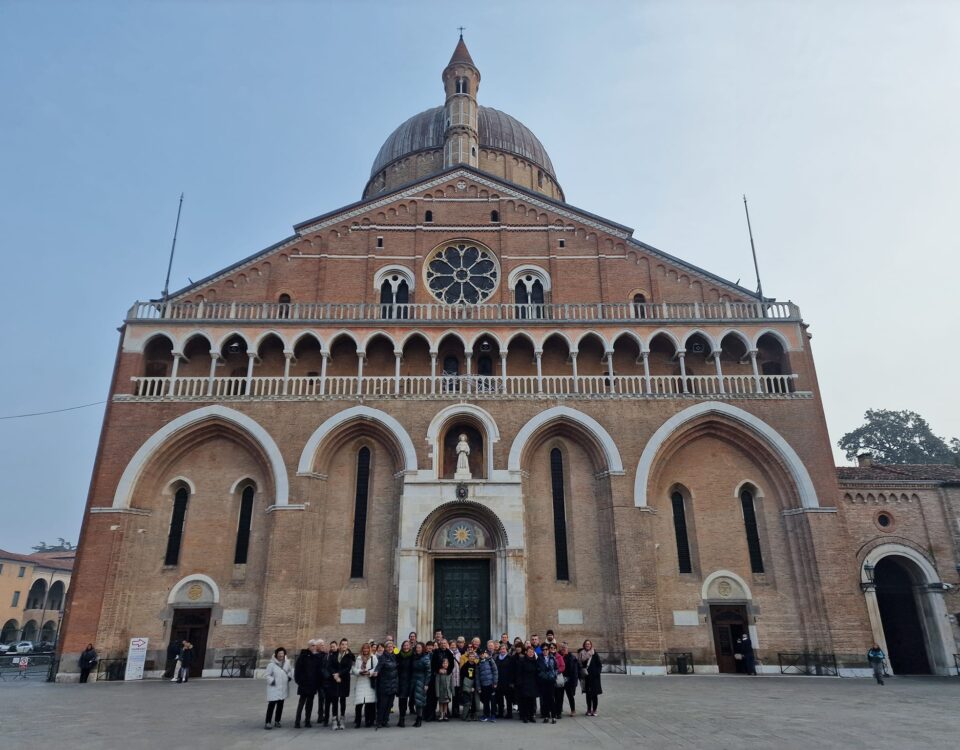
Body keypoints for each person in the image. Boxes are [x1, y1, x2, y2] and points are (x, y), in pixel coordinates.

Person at [265, 647, 294, 730]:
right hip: (274, 688)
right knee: (271, 705)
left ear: (284, 655)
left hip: (283, 688)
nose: (281, 656)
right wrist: (272, 681)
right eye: (279, 654)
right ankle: (268, 722)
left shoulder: (287, 663)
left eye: (282, 654)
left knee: (280, 705)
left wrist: (289, 677)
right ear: (276, 655)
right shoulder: (271, 665)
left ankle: (277, 721)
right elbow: (267, 675)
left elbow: (290, 671)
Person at [294, 640, 319, 728]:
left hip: (312, 685)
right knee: (301, 703)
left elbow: (317, 672)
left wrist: (316, 683)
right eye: (312, 645)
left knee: (310, 704)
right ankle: (297, 721)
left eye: (315, 646)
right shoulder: (302, 656)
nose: (314, 647)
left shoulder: (316, 657)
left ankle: (307, 720)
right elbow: (297, 671)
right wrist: (299, 681)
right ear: (308, 646)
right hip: (304, 684)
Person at [374, 638, 399, 728]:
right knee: (382, 704)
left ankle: (386, 720)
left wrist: (395, 648)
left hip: (393, 684)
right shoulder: (382, 657)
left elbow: (398, 652)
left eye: (391, 646)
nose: (390, 648)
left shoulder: (395, 656)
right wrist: (376, 672)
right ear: (385, 648)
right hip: (384, 684)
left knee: (389, 705)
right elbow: (378, 666)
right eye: (388, 646)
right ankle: (379, 721)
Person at [352, 642, 378, 728]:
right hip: (360, 681)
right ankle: (358, 722)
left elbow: (376, 667)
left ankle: (368, 721)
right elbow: (355, 669)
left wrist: (369, 672)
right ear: (362, 649)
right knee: (359, 704)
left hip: (369, 682)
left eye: (367, 648)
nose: (365, 650)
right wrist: (359, 671)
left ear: (369, 649)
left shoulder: (373, 657)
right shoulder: (359, 658)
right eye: (364, 648)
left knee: (368, 703)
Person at [330, 639, 354, 730]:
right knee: (335, 699)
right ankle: (334, 720)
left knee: (343, 700)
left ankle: (342, 719)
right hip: (335, 680)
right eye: (342, 644)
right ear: (339, 645)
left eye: (346, 644)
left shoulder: (349, 656)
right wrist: (335, 675)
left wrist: (339, 674)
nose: (344, 646)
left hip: (344, 680)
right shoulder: (334, 654)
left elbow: (348, 668)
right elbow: (330, 666)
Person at [516, 645, 539, 724]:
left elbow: (537, 673)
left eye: (532, 652)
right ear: (526, 652)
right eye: (529, 652)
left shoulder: (535, 661)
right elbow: (519, 673)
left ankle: (531, 716)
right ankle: (525, 716)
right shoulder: (522, 660)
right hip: (524, 683)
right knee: (525, 701)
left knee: (532, 701)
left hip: (533, 683)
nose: (531, 653)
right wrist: (520, 683)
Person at [579, 640, 602, 716]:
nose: (587, 645)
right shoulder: (581, 653)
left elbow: (599, 665)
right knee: (588, 694)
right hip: (586, 677)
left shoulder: (594, 653)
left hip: (594, 677)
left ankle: (594, 710)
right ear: (584, 645)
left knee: (594, 694)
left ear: (591, 645)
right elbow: (580, 664)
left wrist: (597, 672)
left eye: (589, 644)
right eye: (586, 644)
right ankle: (589, 709)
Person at [537, 643, 558, 723]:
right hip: (544, 681)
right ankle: (546, 716)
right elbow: (538, 669)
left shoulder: (552, 658)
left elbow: (556, 668)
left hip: (551, 681)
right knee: (544, 699)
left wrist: (554, 675)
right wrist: (543, 676)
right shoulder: (539, 659)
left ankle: (553, 716)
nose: (545, 651)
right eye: (543, 650)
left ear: (549, 650)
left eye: (546, 649)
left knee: (551, 699)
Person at [412, 642, 431, 727]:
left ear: (422, 648)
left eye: (419, 648)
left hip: (421, 681)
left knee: (419, 702)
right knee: (416, 701)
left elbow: (428, 672)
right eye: (417, 648)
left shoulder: (425, 658)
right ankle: (418, 718)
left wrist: (426, 683)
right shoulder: (414, 657)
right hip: (414, 681)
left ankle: (419, 719)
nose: (418, 649)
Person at [397, 640, 415, 727]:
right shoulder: (398, 655)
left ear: (410, 647)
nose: (406, 647)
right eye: (404, 645)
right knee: (402, 700)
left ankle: (417, 715)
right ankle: (402, 718)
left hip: (411, 680)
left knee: (412, 699)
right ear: (402, 646)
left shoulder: (413, 656)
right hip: (401, 681)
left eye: (407, 645)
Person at [494, 643, 516, 719]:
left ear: (506, 650)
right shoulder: (497, 658)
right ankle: (500, 713)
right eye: (501, 649)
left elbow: (513, 671)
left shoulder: (510, 658)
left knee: (508, 699)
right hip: (499, 681)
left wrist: (511, 682)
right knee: (499, 698)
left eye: (504, 649)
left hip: (507, 682)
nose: (502, 650)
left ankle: (509, 714)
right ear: (499, 650)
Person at [477, 645, 498, 721]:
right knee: (485, 701)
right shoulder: (478, 663)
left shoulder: (490, 660)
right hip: (483, 685)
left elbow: (495, 671)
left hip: (491, 684)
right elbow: (477, 676)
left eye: (483, 653)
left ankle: (493, 715)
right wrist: (478, 687)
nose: (482, 655)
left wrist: (495, 682)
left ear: (485, 653)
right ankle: (486, 714)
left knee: (492, 700)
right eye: (480, 654)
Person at [559, 643, 579, 715]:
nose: (563, 649)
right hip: (560, 679)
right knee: (560, 696)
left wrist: (574, 682)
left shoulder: (572, 657)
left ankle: (573, 710)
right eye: (562, 647)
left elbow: (575, 671)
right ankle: (559, 709)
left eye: (565, 647)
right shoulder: (558, 656)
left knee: (570, 696)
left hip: (569, 680)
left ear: (567, 648)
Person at [460, 651, 480, 721]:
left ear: (475, 658)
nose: (471, 658)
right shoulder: (465, 665)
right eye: (470, 656)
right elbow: (462, 676)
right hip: (466, 684)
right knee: (467, 701)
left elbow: (476, 677)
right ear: (468, 657)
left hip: (473, 684)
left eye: (473, 656)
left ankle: (473, 714)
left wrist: (474, 686)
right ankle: (466, 715)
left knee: (474, 701)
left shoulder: (476, 665)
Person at [550, 643, 565, 720]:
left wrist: (557, 671)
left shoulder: (559, 657)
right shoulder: (548, 656)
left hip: (558, 679)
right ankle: (553, 712)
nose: (552, 649)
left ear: (556, 649)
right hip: (550, 680)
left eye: (553, 647)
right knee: (552, 697)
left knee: (559, 697)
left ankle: (558, 712)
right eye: (551, 647)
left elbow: (563, 666)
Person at [435, 656, 454, 720]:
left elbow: (452, 683)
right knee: (441, 703)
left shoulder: (449, 673)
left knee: (446, 703)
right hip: (441, 691)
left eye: (446, 663)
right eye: (444, 663)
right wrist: (437, 693)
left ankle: (445, 714)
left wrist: (453, 692)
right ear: (441, 664)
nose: (445, 664)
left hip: (447, 691)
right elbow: (437, 683)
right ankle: (441, 714)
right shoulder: (439, 673)